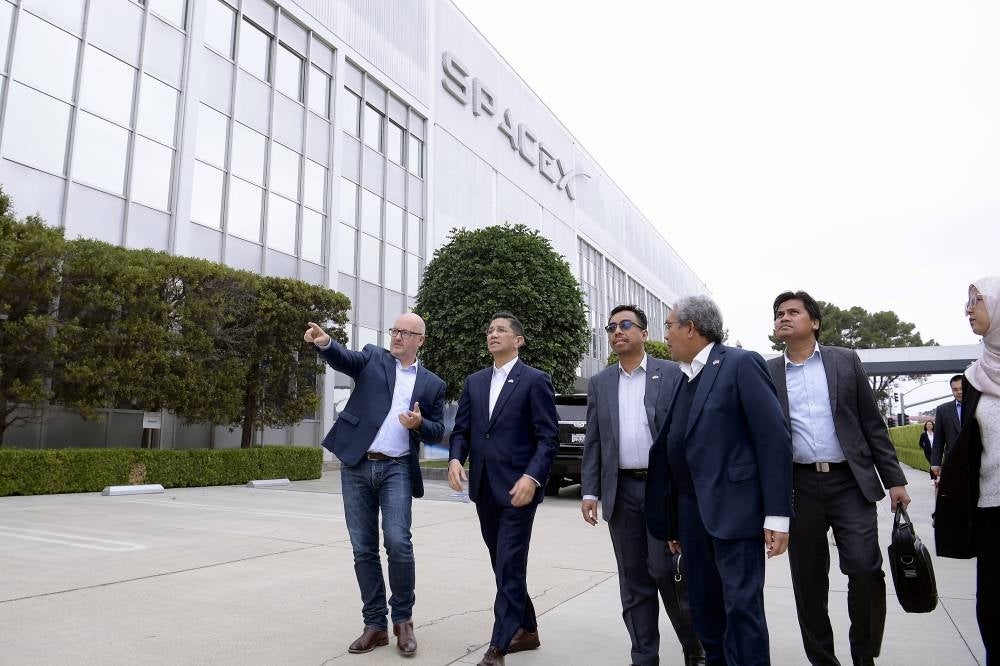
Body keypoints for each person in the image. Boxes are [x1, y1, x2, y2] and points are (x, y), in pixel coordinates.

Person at [645, 295, 792, 666]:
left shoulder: (740, 364)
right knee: (705, 610)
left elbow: (773, 440)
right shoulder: (685, 376)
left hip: (735, 514)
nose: (666, 336)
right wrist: (675, 521)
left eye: (669, 326)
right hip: (693, 517)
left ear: (690, 328)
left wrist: (777, 515)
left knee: (742, 610)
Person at [768, 290, 910, 666]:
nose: (784, 317)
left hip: (850, 481)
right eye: (779, 313)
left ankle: (864, 655)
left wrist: (894, 479)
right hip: (799, 487)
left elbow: (871, 423)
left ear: (813, 321)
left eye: (793, 312)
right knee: (809, 583)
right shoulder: (768, 372)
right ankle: (823, 661)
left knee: (865, 570)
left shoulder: (844, 361)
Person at [304, 314, 446, 657]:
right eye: (394, 330)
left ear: (420, 340)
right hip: (356, 464)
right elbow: (344, 358)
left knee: (398, 542)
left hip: (396, 468)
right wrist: (325, 342)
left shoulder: (432, 384)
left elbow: (438, 430)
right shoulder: (373, 357)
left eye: (405, 333)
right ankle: (374, 625)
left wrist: (419, 423)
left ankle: (403, 621)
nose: (397, 336)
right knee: (363, 548)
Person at [580, 305, 704, 666]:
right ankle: (644, 655)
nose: (617, 331)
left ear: (644, 334)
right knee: (633, 581)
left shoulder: (672, 374)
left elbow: (686, 434)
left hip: (662, 491)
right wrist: (590, 491)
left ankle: (693, 646)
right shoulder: (601, 383)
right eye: (611, 327)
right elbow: (595, 441)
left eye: (626, 325)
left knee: (668, 572)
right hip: (621, 492)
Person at [447, 313, 559, 666]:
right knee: (502, 564)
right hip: (483, 487)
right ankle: (527, 628)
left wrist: (533, 477)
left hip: (519, 491)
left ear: (518, 340)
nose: (492, 334)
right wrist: (454, 459)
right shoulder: (475, 381)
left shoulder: (535, 381)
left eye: (501, 330)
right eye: (490, 330)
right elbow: (462, 429)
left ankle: (499, 646)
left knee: (509, 563)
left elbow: (548, 438)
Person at [935, 275, 1000, 665]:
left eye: (976, 301)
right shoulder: (977, 376)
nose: (968, 309)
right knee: (992, 611)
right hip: (991, 511)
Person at [931, 375, 965, 478]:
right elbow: (938, 439)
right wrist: (935, 463)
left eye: (962, 388)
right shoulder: (943, 410)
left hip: (979, 462)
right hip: (952, 462)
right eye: (955, 389)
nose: (959, 392)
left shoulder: (978, 406)